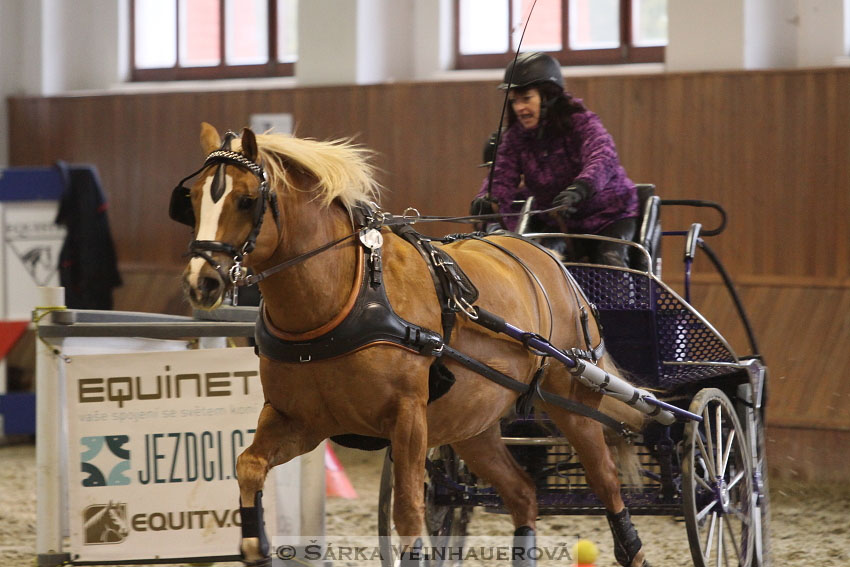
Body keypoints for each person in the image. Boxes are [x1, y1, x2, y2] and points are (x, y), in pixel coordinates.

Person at [470, 52, 639, 267]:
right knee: (541, 262)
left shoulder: (582, 123)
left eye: (526, 99)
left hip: (611, 216)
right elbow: (502, 174)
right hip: (560, 223)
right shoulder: (515, 137)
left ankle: (625, 302)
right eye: (514, 101)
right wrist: (487, 199)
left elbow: (603, 157)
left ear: (547, 96)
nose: (519, 108)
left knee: (609, 260)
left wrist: (580, 188)